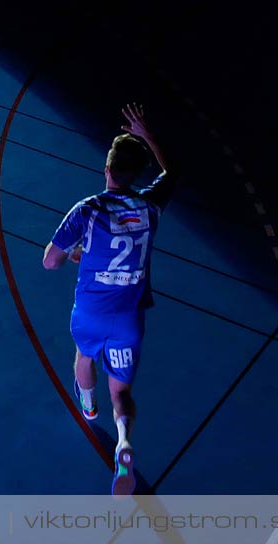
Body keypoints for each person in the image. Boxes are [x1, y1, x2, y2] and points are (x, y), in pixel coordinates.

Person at [43, 104, 174, 496]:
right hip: (129, 319)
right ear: (138, 172)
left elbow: (50, 261)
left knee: (84, 357)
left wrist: (75, 254)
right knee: (124, 392)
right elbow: (173, 174)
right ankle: (124, 442)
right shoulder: (151, 207)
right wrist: (148, 133)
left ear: (107, 169)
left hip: (90, 313)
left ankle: (88, 406)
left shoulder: (88, 209)